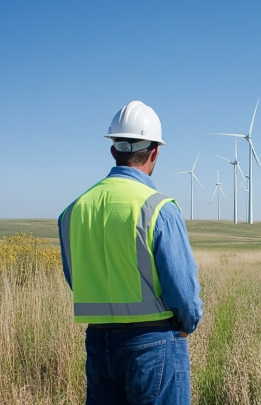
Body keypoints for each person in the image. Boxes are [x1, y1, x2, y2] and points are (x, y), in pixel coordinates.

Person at [58, 100, 203, 404]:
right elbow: (184, 290)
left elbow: (75, 277)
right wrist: (187, 325)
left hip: (98, 344)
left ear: (113, 149)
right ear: (155, 151)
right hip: (153, 346)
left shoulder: (73, 212)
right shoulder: (158, 208)